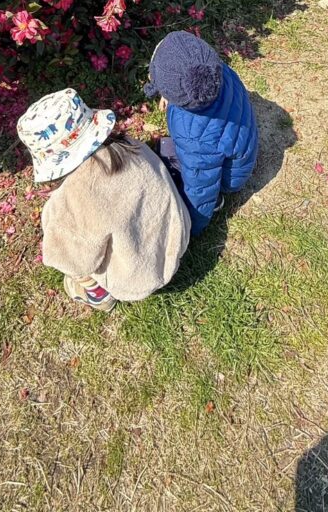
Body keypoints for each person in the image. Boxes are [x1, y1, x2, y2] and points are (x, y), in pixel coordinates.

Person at [17, 88, 191, 312]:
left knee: (69, 253)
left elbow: (69, 259)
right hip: (177, 238)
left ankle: (99, 295)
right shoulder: (128, 145)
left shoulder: (74, 198)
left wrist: (55, 215)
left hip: (139, 278)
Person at [144, 31, 258, 235]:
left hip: (230, 176)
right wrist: (169, 94)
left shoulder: (192, 134)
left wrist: (192, 227)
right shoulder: (215, 73)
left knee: (167, 164)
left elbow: (200, 187)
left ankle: (218, 201)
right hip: (241, 145)